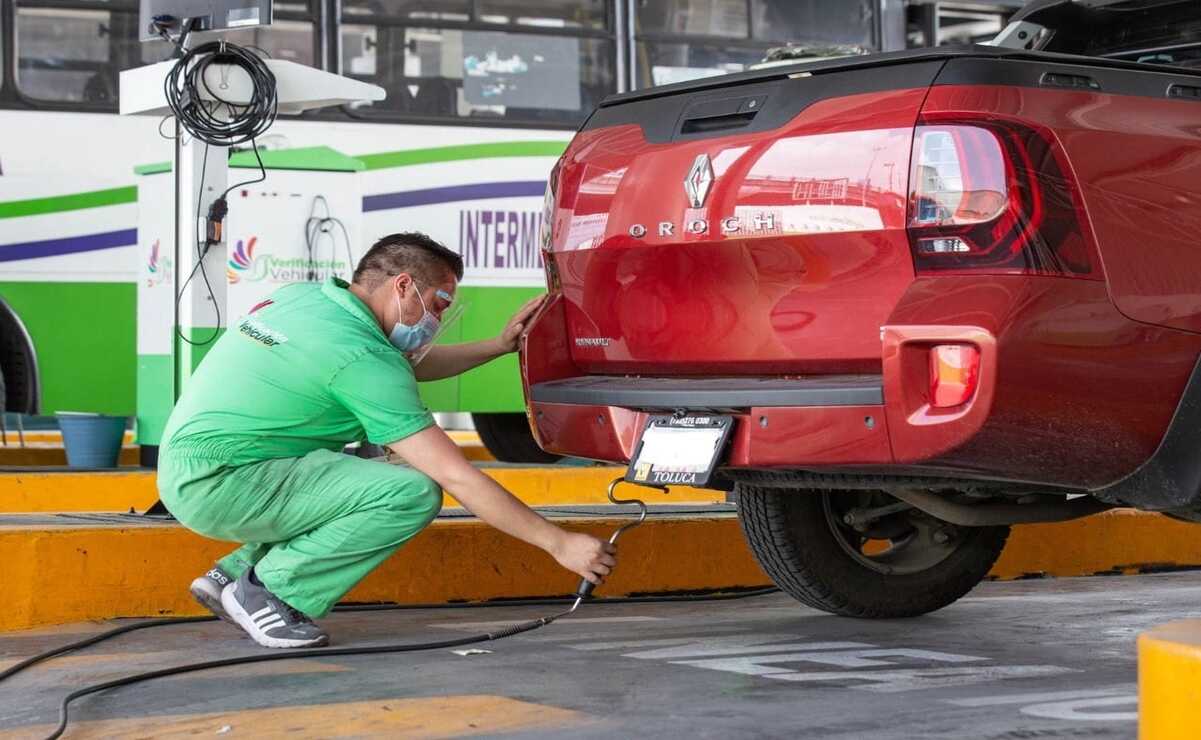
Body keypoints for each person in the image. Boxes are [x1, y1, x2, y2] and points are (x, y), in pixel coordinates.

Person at [156, 232, 616, 649]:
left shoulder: (310, 301)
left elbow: (396, 367)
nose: (437, 319)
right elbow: (456, 476)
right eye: (437, 303)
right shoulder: (363, 358)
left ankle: (230, 574)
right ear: (402, 286)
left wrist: (497, 345)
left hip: (194, 466)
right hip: (225, 484)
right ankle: (267, 591)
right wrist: (559, 544)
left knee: (371, 475)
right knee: (411, 490)